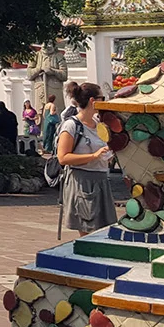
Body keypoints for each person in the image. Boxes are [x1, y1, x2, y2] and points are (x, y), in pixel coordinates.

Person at [57, 83, 116, 235]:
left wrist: (108, 155)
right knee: (88, 230)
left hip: (101, 179)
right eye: (102, 98)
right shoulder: (71, 125)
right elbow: (63, 157)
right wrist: (93, 156)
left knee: (104, 230)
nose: (104, 102)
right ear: (92, 100)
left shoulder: (99, 123)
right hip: (82, 181)